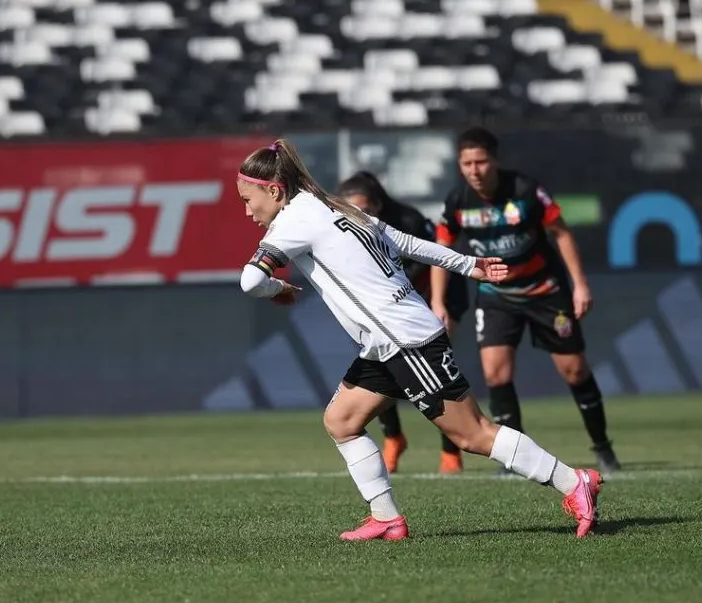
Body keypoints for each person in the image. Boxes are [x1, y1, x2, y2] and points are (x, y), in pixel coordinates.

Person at [236, 138, 603, 541]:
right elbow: (406, 243)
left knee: (473, 434)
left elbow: (250, 281)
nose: (247, 210)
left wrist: (279, 290)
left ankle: (573, 482)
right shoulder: (337, 205)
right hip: (388, 340)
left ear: (274, 190)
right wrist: (467, 264)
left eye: (247, 198)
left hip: (404, 340)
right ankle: (386, 518)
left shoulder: (293, 221)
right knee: (342, 420)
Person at [429, 127, 620, 475]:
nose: (474, 170)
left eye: (481, 161)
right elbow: (441, 251)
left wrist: (579, 285)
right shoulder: (458, 201)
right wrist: (438, 302)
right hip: (496, 295)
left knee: (574, 370)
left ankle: (603, 447)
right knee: (495, 373)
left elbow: (561, 233)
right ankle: (514, 458)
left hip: (545, 291)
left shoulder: (525, 190)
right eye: (466, 163)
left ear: (495, 161)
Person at [337, 171, 469, 475]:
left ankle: (451, 450)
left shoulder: (407, 221)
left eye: (365, 209)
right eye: (349, 210)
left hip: (438, 294)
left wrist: (436, 303)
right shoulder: (345, 231)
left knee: (438, 374)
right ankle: (394, 438)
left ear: (379, 205)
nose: (358, 216)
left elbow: (429, 257)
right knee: (383, 369)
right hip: (392, 308)